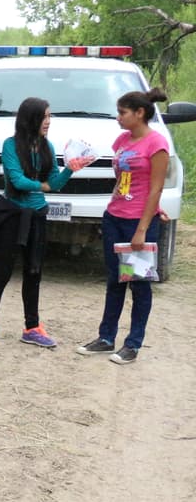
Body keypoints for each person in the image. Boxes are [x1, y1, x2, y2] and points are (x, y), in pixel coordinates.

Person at [0, 97, 92, 351]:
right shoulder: (10, 146)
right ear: (30, 119)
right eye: (44, 117)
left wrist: (71, 169)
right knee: (1, 272)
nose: (48, 122)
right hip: (13, 215)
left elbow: (55, 183)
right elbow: (16, 181)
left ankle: (32, 327)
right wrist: (43, 186)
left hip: (37, 215)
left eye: (50, 117)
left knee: (34, 271)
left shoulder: (46, 146)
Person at [77, 88, 172, 364]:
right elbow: (125, 180)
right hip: (115, 216)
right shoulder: (122, 140)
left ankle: (133, 344)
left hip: (136, 223)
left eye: (122, 112)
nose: (118, 118)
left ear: (139, 113)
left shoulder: (157, 144)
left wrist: (144, 226)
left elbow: (155, 188)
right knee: (114, 280)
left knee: (138, 283)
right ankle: (106, 338)